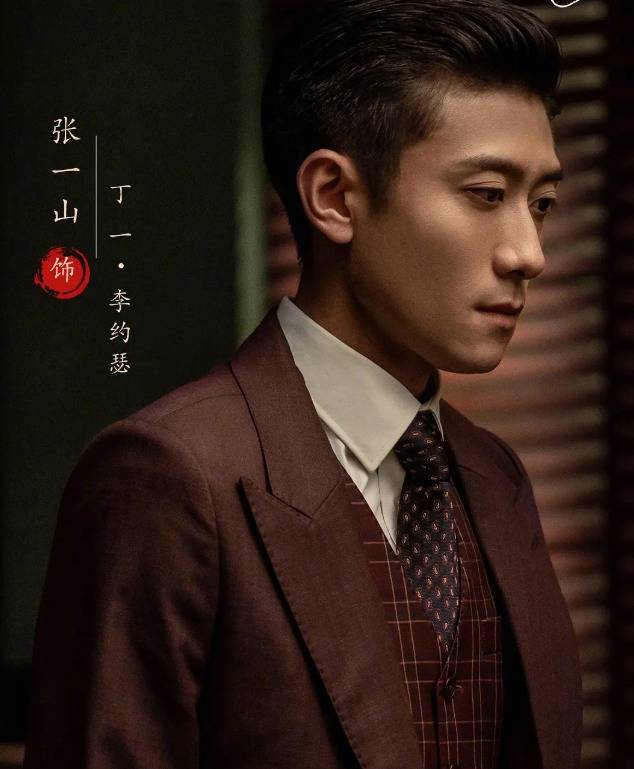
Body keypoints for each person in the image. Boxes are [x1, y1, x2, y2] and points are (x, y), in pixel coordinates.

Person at [24, 1, 582, 768]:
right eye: (487, 194)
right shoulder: (171, 477)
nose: (529, 253)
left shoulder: (495, 475)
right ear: (333, 196)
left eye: (541, 205)